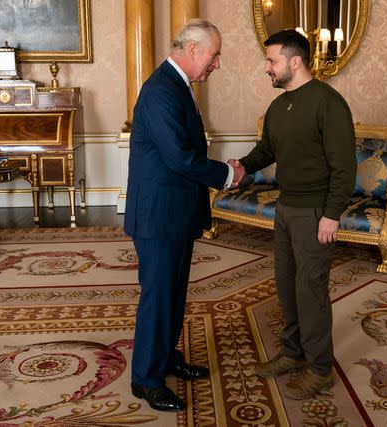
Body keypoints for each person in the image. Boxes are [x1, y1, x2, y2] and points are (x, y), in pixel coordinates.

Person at [124, 19, 244, 412]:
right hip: (159, 217)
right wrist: (226, 174)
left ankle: (166, 357)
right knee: (158, 297)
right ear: (193, 50)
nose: (217, 64)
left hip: (175, 212)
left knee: (174, 294)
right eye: (215, 55)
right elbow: (179, 157)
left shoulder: (178, 85)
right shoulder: (161, 90)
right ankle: (146, 380)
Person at [230, 29, 356, 400]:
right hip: (286, 207)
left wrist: (332, 214)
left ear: (295, 61)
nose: (266, 68)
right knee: (286, 284)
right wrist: (242, 167)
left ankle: (319, 369)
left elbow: (344, 167)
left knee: (311, 289)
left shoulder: (328, 103)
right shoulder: (278, 106)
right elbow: (266, 149)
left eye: (272, 60)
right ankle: (292, 352)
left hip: (315, 211)